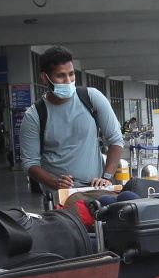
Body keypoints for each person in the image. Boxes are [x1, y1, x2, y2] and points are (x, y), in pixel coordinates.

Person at [19, 46, 125, 191]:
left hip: (95, 190)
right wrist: (55, 183)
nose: (68, 81)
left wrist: (106, 177)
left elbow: (116, 139)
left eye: (71, 74)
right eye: (60, 76)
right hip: (59, 196)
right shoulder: (35, 115)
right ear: (45, 78)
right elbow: (29, 162)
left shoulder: (91, 97)